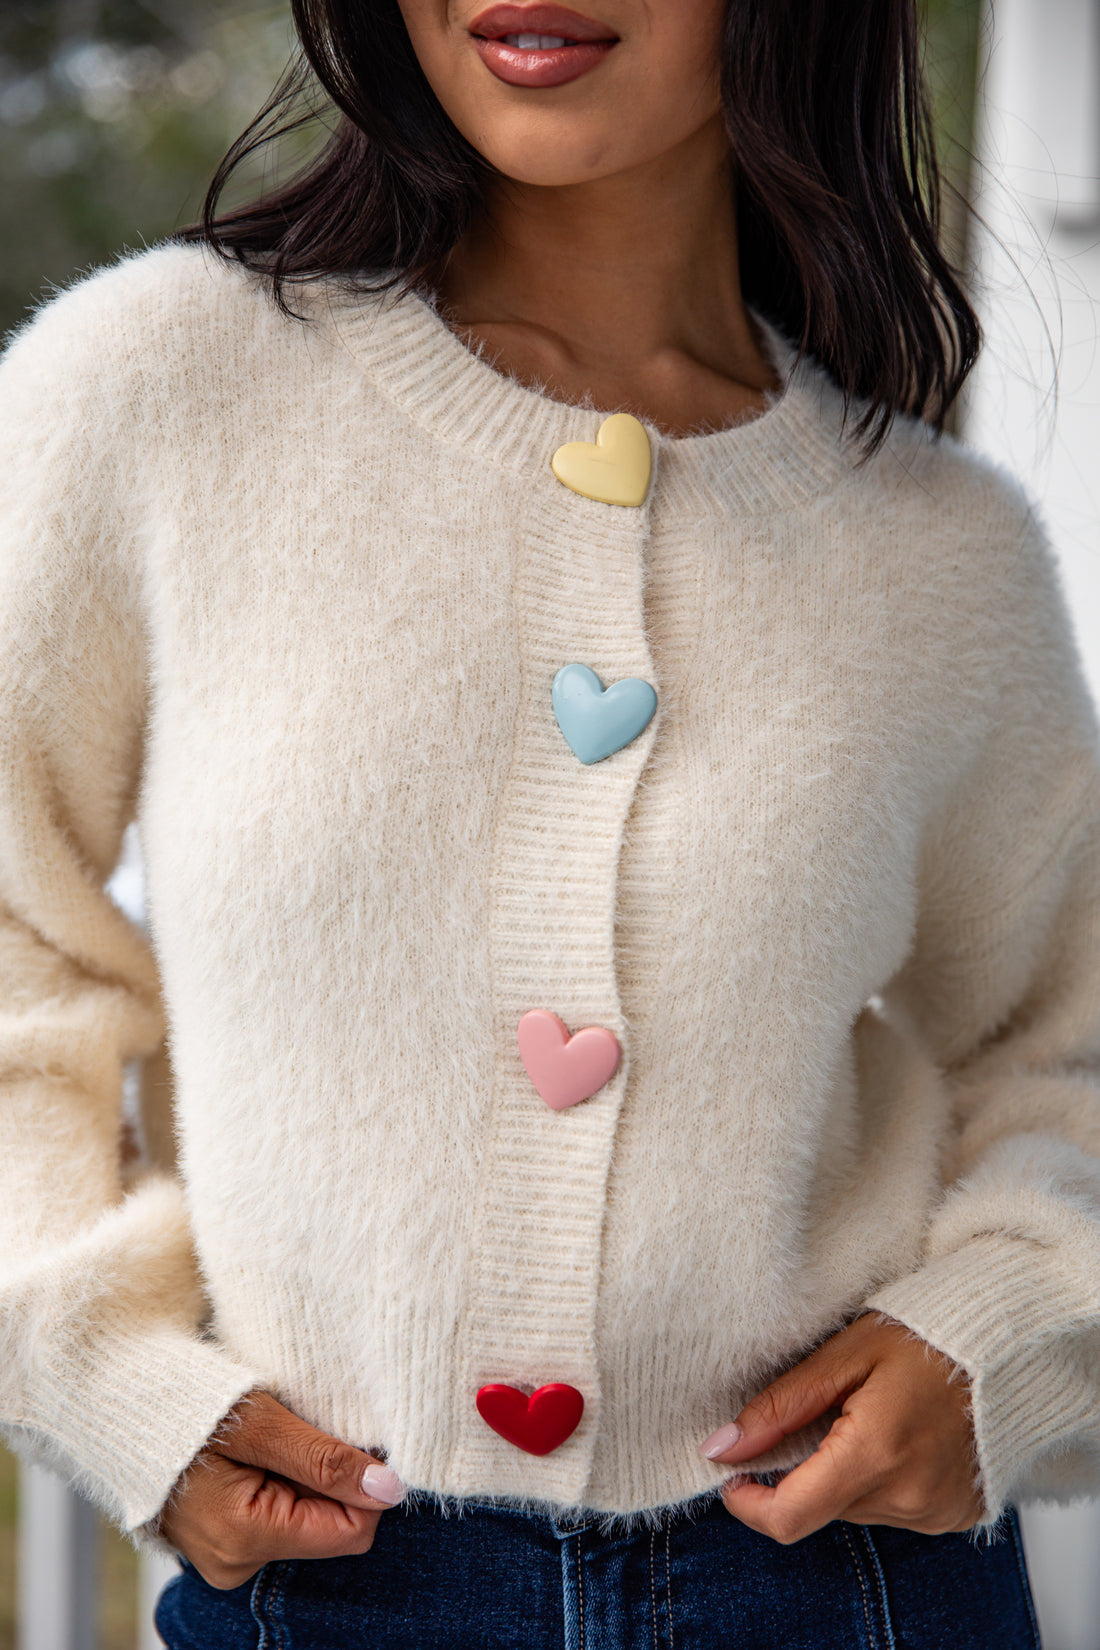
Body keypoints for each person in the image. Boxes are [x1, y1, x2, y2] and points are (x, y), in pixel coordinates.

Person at [1, 0, 1098, 1642]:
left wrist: (1006, 1324)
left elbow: (1058, 1053)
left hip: (845, 1586)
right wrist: (103, 1367)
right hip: (328, 1581)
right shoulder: (154, 392)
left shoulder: (937, 554)